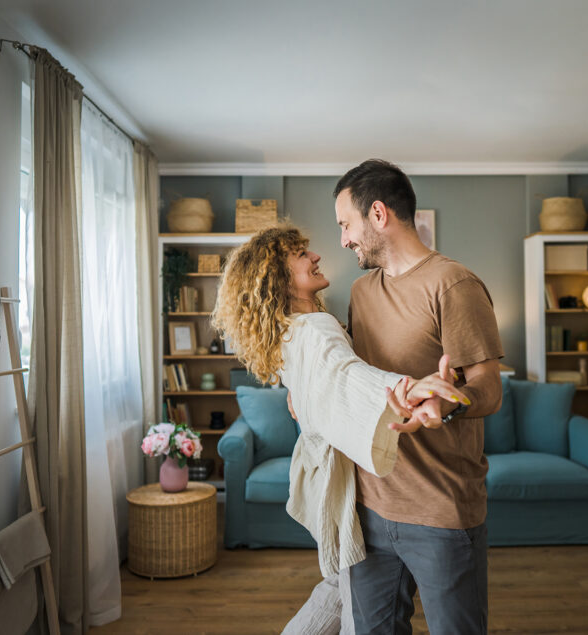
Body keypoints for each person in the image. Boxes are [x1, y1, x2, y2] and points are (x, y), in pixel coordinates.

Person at [210, 225, 468, 635]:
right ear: (276, 276)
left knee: (341, 584)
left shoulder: (293, 327)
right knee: (357, 607)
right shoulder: (315, 328)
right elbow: (347, 375)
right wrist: (409, 388)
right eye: (300, 254)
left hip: (321, 470)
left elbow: (323, 380)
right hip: (338, 477)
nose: (315, 257)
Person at [335, 159, 504, 634]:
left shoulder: (453, 284)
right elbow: (351, 376)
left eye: (346, 224)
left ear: (379, 214)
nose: (344, 239)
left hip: (442, 510)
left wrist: (447, 403)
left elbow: (491, 387)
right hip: (370, 506)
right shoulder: (361, 291)